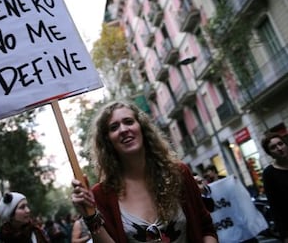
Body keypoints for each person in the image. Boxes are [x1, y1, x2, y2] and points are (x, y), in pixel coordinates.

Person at [71, 100, 218, 242]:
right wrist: (90, 216)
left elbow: (206, 228)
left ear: (142, 127)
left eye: (128, 122)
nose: (123, 130)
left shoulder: (178, 173)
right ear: (107, 140)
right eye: (114, 127)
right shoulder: (102, 194)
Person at [261, 132, 288, 243]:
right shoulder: (269, 174)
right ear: (270, 154)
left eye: (280, 144)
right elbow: (275, 207)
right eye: (273, 147)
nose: (279, 148)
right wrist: (285, 236)